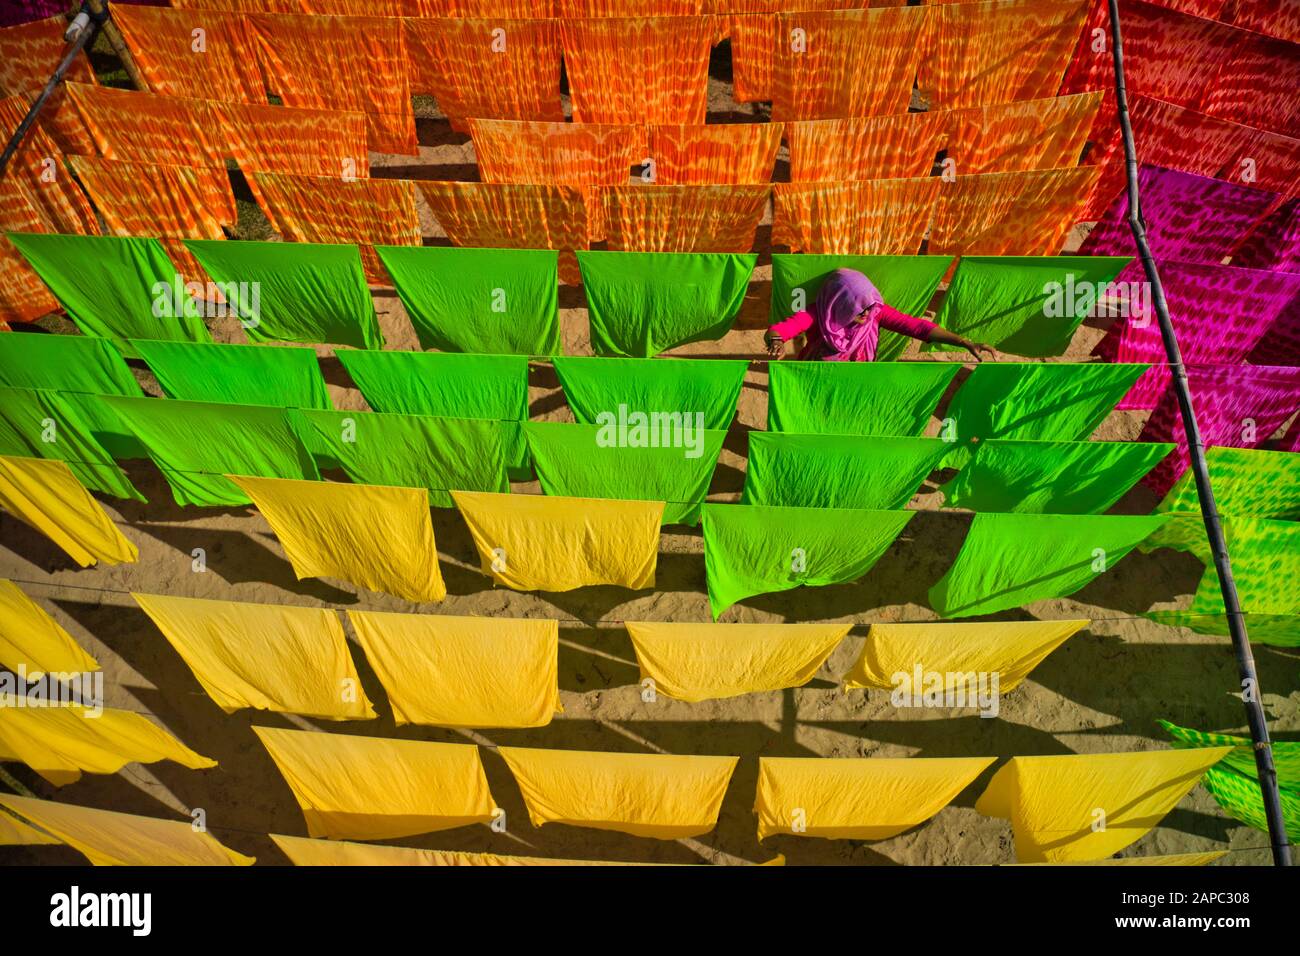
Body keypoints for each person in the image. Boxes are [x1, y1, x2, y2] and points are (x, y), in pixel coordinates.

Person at [765, 268, 994, 362]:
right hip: (816, 372)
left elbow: (917, 327)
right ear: (840, 303)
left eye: (868, 306)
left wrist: (963, 342)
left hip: (858, 377)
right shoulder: (819, 313)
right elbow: (781, 329)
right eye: (858, 307)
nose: (866, 313)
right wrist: (776, 341)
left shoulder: (875, 313)